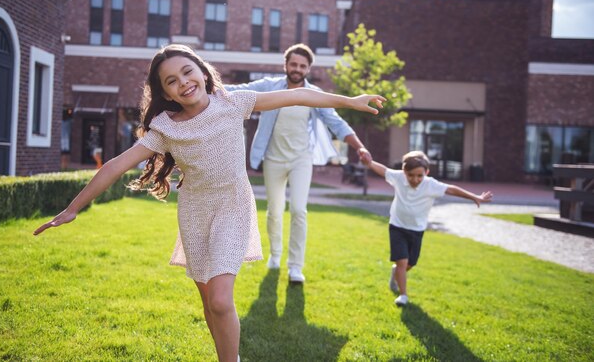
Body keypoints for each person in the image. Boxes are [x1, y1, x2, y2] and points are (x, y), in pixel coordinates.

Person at [33, 44, 385, 362]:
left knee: (220, 300)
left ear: (202, 72)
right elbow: (114, 166)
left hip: (233, 206)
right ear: (165, 92)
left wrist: (349, 101)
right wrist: (72, 208)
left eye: (187, 72)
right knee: (208, 302)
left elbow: (300, 97)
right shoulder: (164, 129)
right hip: (195, 213)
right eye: (171, 81)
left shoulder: (234, 102)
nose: (183, 83)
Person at [225, 43, 372, 283]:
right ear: (285, 65)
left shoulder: (314, 95)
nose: (297, 68)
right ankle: (275, 254)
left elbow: (337, 122)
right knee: (274, 212)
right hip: (273, 158)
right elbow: (239, 90)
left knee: (299, 211)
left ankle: (295, 267)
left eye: (302, 65)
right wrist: (204, 83)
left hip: (301, 159)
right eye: (293, 64)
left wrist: (359, 147)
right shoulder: (269, 86)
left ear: (308, 69)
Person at [361, 150, 493, 306]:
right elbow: (383, 170)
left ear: (426, 173)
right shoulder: (398, 177)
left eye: (419, 176)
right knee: (402, 262)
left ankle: (395, 272)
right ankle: (403, 296)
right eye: (411, 175)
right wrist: (369, 163)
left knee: (410, 264)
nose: (415, 179)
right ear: (404, 172)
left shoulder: (431, 185)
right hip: (397, 226)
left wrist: (474, 197)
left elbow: (451, 189)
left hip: (417, 230)